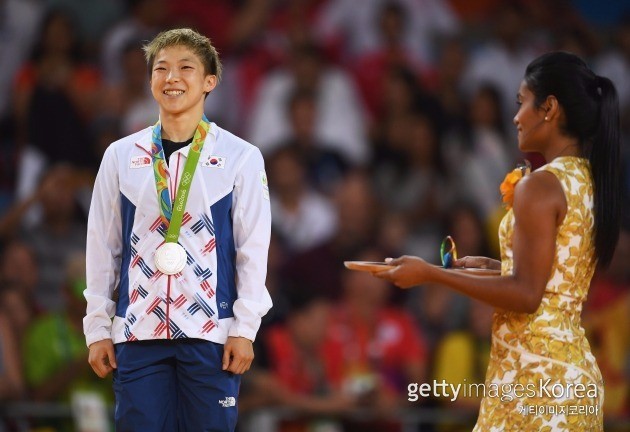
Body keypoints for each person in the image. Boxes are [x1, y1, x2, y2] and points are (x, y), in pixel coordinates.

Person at [373, 51, 621, 431]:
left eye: (522, 103)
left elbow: (526, 295)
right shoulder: (589, 180)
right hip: (566, 374)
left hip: (534, 377)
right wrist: (494, 267)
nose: (515, 117)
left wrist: (430, 275)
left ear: (550, 108)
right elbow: (551, 282)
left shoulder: (540, 185)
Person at [84, 28, 272, 432]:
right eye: (161, 69)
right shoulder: (120, 156)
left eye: (186, 67)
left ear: (209, 81)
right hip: (137, 331)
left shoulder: (241, 157)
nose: (172, 77)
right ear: (150, 80)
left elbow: (253, 249)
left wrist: (244, 328)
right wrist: (97, 327)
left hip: (211, 333)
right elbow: (102, 246)